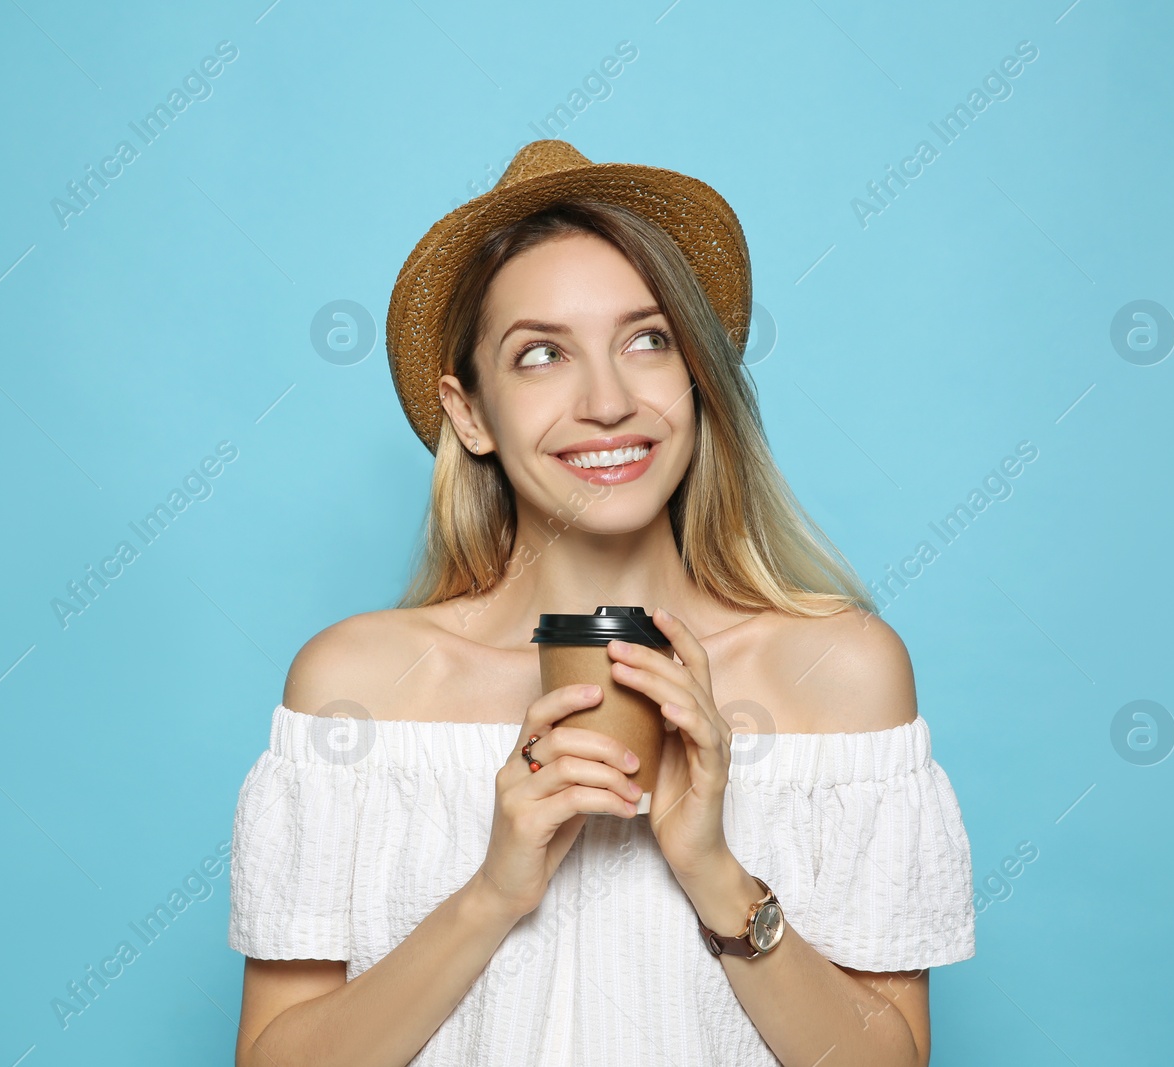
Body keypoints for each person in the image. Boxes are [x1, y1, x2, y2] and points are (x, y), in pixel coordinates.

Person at [226, 140, 974, 1066]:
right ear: (470, 414)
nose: (609, 400)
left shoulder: (840, 672)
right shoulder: (360, 686)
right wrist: (493, 891)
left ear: (695, 377)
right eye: (541, 354)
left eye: (648, 340)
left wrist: (713, 868)